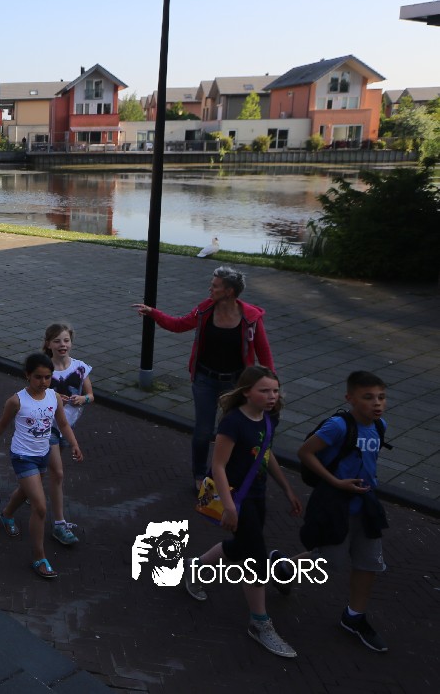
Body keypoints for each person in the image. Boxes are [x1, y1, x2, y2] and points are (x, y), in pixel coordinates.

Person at [182, 366, 302, 659]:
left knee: (241, 546)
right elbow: (218, 465)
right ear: (247, 392)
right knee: (256, 558)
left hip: (258, 496)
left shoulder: (270, 418)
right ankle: (259, 623)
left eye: (275, 390)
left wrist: (286, 488)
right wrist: (229, 506)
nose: (272, 396)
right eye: (265, 391)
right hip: (237, 498)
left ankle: (196, 568)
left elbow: (266, 454)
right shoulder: (233, 422)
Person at [276, 371, 391, 652]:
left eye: (381, 397)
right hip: (337, 505)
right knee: (329, 561)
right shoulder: (338, 426)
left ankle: (354, 617)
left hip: (367, 505)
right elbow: (305, 453)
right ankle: (284, 568)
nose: (377, 403)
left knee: (369, 563)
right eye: (368, 397)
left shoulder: (380, 425)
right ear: (350, 398)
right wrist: (336, 482)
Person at [133, 265, 274, 492]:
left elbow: (264, 353)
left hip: (236, 383)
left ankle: (228, 474)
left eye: (215, 286)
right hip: (204, 379)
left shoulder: (250, 318)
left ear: (229, 291)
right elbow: (179, 325)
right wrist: (153, 312)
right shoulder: (205, 309)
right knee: (203, 431)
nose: (210, 288)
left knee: (233, 431)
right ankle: (200, 475)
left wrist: (270, 387)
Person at [0, 352, 83, 579]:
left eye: (47, 377)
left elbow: (63, 423)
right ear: (27, 375)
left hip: (43, 454)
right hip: (23, 456)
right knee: (40, 507)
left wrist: (74, 444)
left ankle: (7, 514)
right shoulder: (16, 401)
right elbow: (1, 426)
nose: (43, 382)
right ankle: (39, 557)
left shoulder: (53, 397)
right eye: (38, 377)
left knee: (26, 491)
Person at [43, 323, 94, 547]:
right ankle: (59, 524)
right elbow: (35, 394)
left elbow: (91, 395)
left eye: (66, 340)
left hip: (68, 427)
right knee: (58, 473)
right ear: (48, 344)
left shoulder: (80, 368)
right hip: (48, 426)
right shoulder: (45, 370)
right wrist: (52, 398)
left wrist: (83, 399)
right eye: (57, 341)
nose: (62, 345)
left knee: (47, 469)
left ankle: (27, 490)